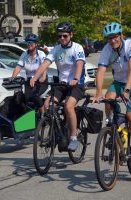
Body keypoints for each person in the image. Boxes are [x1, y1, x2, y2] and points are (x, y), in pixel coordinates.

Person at [93, 22, 131, 170]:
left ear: (121, 35)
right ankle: (111, 128)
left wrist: (127, 90)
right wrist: (98, 93)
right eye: (109, 38)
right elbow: (101, 71)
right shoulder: (107, 49)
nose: (112, 40)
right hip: (118, 82)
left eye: (115, 37)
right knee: (108, 100)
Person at [30, 22, 86, 151]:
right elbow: (45, 64)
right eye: (59, 36)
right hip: (61, 85)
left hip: (76, 84)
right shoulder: (56, 49)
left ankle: (73, 138)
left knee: (68, 106)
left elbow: (79, 64)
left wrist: (76, 78)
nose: (62, 38)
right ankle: (58, 131)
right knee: (47, 106)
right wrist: (35, 77)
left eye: (65, 36)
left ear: (71, 35)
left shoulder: (77, 48)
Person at [12, 33, 48, 114]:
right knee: (27, 99)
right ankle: (32, 118)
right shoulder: (24, 54)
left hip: (40, 81)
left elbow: (44, 66)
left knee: (35, 96)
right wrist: (12, 77)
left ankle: (43, 114)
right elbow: (18, 67)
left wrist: (43, 77)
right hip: (29, 81)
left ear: (36, 44)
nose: (29, 45)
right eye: (27, 43)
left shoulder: (41, 54)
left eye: (31, 43)